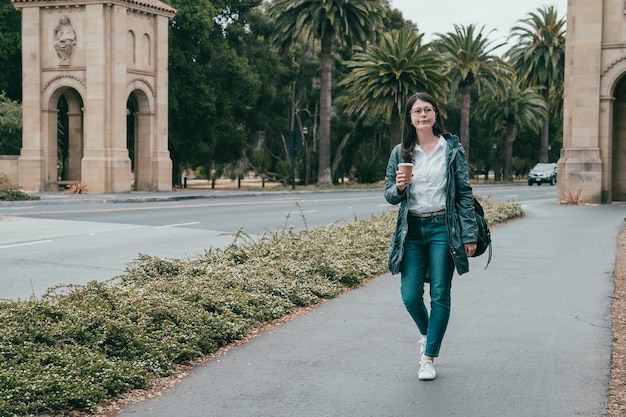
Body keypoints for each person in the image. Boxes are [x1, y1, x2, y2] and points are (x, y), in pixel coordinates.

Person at [384, 92, 478, 381]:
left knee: (440, 294)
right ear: (410, 118)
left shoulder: (451, 149)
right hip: (411, 230)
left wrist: (469, 235)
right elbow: (389, 195)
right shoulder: (401, 152)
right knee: (410, 296)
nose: (422, 115)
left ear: (436, 115)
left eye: (427, 110)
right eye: (417, 112)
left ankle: (428, 358)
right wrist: (399, 188)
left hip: (442, 228)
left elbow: (463, 193)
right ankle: (427, 334)